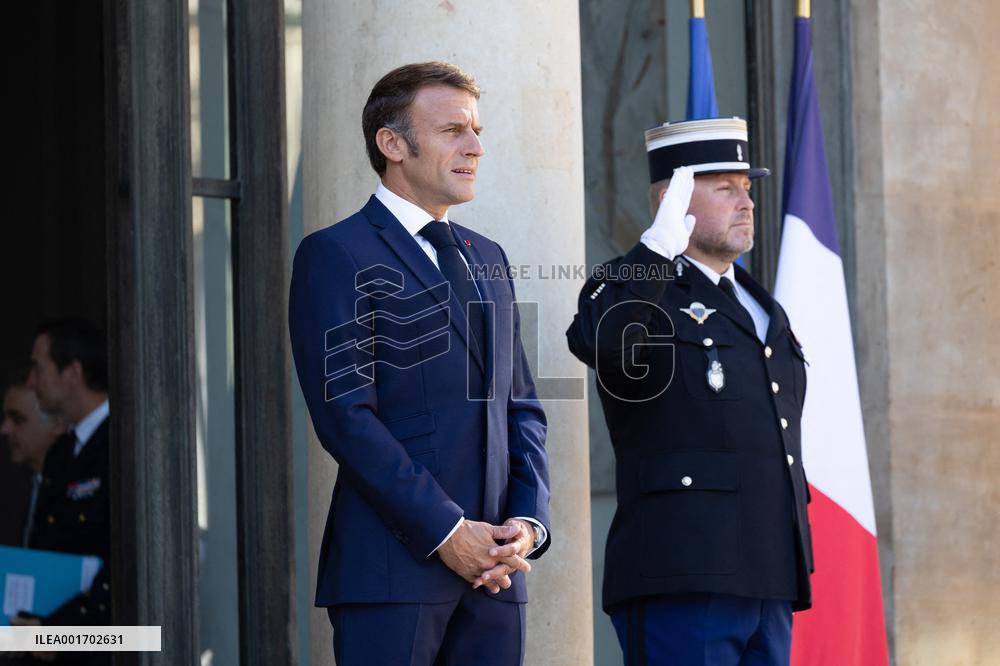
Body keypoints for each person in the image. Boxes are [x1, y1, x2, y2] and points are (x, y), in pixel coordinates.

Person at [288, 61, 550, 665]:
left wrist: (526, 526)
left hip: (496, 580)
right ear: (393, 144)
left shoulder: (489, 257)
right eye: (453, 130)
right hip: (391, 576)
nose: (476, 147)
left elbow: (524, 407)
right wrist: (447, 533)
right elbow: (347, 420)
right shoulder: (335, 253)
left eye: (478, 131)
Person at [566, 117, 813, 665]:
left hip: (769, 572)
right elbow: (599, 339)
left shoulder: (759, 304)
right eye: (725, 187)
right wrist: (655, 249)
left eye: (747, 187)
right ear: (671, 201)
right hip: (682, 567)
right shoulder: (635, 286)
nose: (745, 201)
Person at [11, 318, 111, 666]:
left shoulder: (123, 445)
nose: (31, 382)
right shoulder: (61, 453)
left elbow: (128, 569)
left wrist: (62, 636)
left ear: (72, 373)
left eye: (39, 368)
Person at [1, 368, 65, 547]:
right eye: (5, 418)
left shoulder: (72, 489)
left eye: (18, 419)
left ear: (57, 424)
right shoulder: (25, 486)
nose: (5, 429)